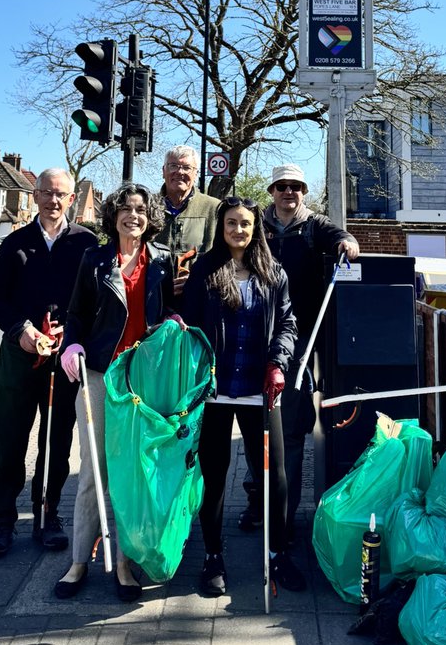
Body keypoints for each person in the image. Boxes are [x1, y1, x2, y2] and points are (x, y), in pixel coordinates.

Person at [55, 184, 175, 601]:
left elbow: (165, 313)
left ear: (150, 218)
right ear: (113, 216)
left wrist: (174, 322)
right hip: (100, 377)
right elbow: (75, 313)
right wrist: (72, 344)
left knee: (132, 475)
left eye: (141, 210)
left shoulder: (162, 262)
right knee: (93, 471)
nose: (133, 216)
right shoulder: (95, 259)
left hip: (141, 383)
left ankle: (123, 561)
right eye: (125, 209)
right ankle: (78, 561)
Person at [182, 196, 306, 596]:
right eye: (232, 222)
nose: (239, 229)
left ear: (256, 229)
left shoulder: (274, 274)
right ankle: (213, 556)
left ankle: (278, 553)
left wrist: (278, 364)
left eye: (246, 223)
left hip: (260, 390)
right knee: (215, 476)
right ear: (222, 227)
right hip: (216, 392)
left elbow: (288, 323)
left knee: (275, 475)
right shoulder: (205, 270)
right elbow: (189, 323)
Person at [0, 168, 98, 559]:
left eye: (61, 194)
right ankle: (2, 522)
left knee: (56, 442)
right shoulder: (14, 243)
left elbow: (94, 299)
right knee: (9, 441)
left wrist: (75, 334)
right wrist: (20, 330)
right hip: (20, 354)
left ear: (71, 199)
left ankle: (47, 516)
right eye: (46, 193)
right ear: (34, 196)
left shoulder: (87, 243)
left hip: (64, 358)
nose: (53, 200)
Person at [239, 163, 359, 537]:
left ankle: (284, 517)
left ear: (303, 191)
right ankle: (258, 501)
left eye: (296, 187)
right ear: (272, 190)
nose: (288, 192)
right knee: (253, 425)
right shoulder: (256, 224)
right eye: (281, 186)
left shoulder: (314, 226)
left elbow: (343, 237)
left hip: (293, 343)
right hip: (252, 335)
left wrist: (348, 244)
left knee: (287, 429)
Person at [153, 145, 222, 295]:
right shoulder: (147, 207)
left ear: (196, 173)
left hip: (199, 298)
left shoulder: (214, 208)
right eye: (173, 166)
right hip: (154, 298)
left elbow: (223, 256)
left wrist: (197, 278)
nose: (179, 172)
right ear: (163, 171)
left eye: (187, 167)